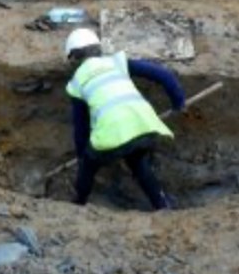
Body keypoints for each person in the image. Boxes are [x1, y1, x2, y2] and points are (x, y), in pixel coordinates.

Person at [63, 28, 186, 211]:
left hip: (112, 135)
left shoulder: (77, 83)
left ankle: (79, 203)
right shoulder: (117, 63)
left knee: (88, 164)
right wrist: (178, 101)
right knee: (138, 162)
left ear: (74, 57)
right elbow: (163, 75)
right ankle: (161, 204)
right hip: (145, 126)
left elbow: (81, 130)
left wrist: (83, 156)